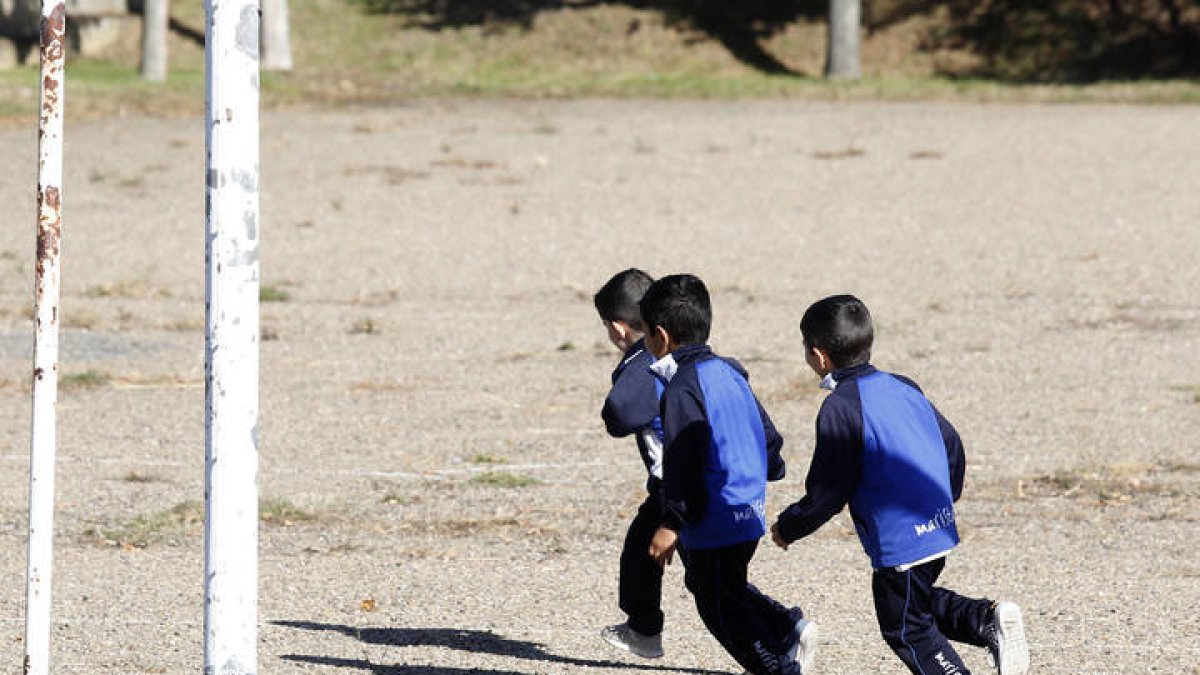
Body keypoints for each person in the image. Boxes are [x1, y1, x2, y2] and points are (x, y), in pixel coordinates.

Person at [770, 294, 1030, 675]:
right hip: (936, 520)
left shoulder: (840, 407)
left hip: (901, 538)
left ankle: (975, 637)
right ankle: (983, 619)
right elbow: (950, 442)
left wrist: (790, 526)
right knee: (912, 603)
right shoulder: (903, 385)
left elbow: (829, 489)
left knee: (905, 627)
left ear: (819, 356)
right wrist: (946, 494)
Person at [642, 273, 816, 675]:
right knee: (725, 591)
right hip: (748, 511)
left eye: (647, 337)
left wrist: (672, 522)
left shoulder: (682, 388)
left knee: (720, 608)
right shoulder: (730, 372)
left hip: (716, 520)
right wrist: (768, 469)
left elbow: (685, 459)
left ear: (661, 336)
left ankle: (776, 667)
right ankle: (788, 631)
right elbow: (768, 435)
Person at [593, 268, 670, 659]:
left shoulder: (643, 361)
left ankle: (781, 635)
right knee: (641, 551)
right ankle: (643, 629)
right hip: (686, 483)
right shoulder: (678, 347)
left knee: (714, 586)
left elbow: (619, 416)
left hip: (679, 484)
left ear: (619, 328)